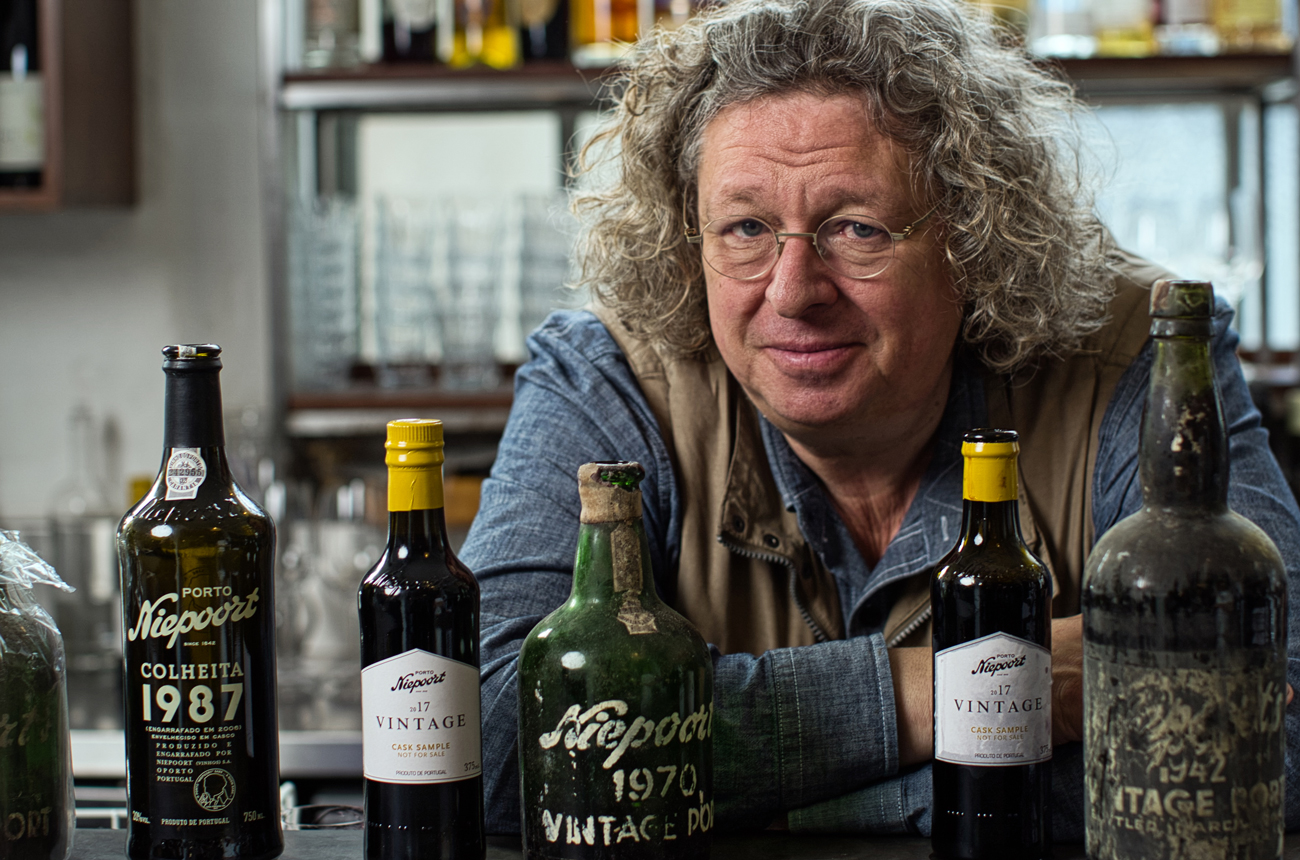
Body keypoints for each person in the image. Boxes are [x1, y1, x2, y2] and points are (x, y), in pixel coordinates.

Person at [459, 0, 1300, 838]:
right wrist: (977, 691)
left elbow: (1273, 724)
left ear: (974, 237)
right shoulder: (608, 379)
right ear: (691, 239)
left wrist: (787, 799)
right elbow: (494, 739)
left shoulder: (1140, 353)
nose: (793, 292)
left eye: (856, 229)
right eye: (746, 228)